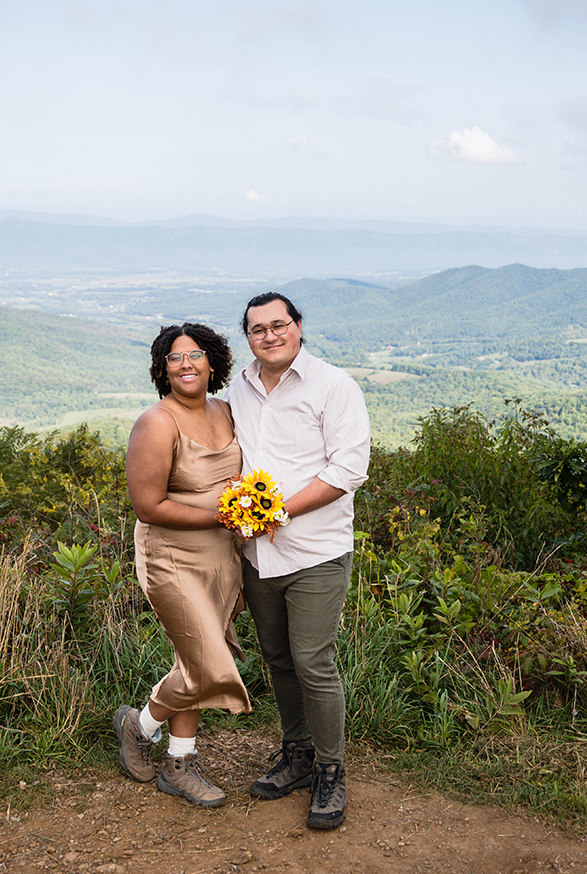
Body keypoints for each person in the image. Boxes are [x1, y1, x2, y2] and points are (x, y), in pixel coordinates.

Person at [226, 291, 370, 831]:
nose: (270, 335)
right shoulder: (238, 387)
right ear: (248, 336)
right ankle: (298, 754)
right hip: (257, 553)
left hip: (315, 550)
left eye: (278, 325)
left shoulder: (334, 386)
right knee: (278, 659)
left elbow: (347, 469)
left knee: (313, 659)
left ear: (299, 327)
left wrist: (278, 511)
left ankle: (331, 771)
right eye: (258, 329)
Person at [114, 322, 251, 807]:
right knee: (205, 660)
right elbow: (148, 506)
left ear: (213, 363)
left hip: (222, 556)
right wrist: (221, 516)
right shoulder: (157, 422)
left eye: (196, 354)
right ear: (162, 369)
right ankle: (141, 725)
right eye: (175, 357)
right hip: (171, 558)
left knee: (193, 658)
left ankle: (176, 759)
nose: (187, 363)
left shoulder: (228, 411)